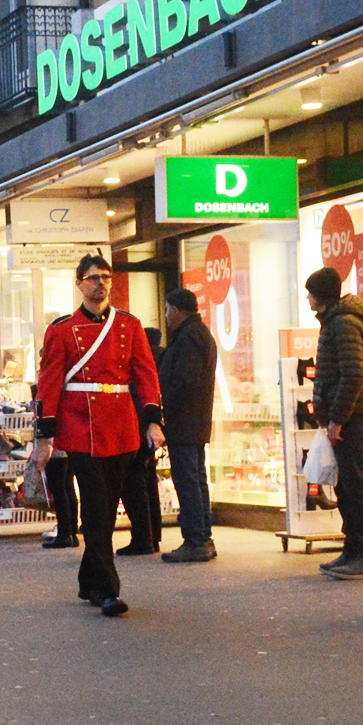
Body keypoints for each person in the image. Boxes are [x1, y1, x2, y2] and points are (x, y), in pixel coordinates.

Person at [36, 254, 164, 618]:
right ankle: (109, 590)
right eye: (92, 278)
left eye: (105, 277)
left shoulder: (129, 325)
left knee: (106, 510)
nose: (100, 284)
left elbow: (145, 374)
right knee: (94, 508)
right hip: (81, 427)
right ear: (79, 283)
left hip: (121, 425)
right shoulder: (61, 329)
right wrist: (43, 437)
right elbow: (49, 382)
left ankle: (88, 579)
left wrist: (153, 420)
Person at [305, 266, 363, 579]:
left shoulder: (344, 323)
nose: (308, 297)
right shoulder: (335, 321)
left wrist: (337, 419)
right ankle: (352, 549)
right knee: (346, 485)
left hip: (353, 417)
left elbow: (354, 375)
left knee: (355, 485)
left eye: (311, 291)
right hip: (347, 416)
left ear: (321, 295)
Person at [158, 288, 219, 563]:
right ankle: (202, 537)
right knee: (196, 479)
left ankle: (196, 540)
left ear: (177, 310)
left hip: (185, 419)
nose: (166, 315)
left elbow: (185, 381)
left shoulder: (189, 338)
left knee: (188, 481)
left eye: (168, 309)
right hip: (195, 419)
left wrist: (164, 406)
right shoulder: (198, 334)